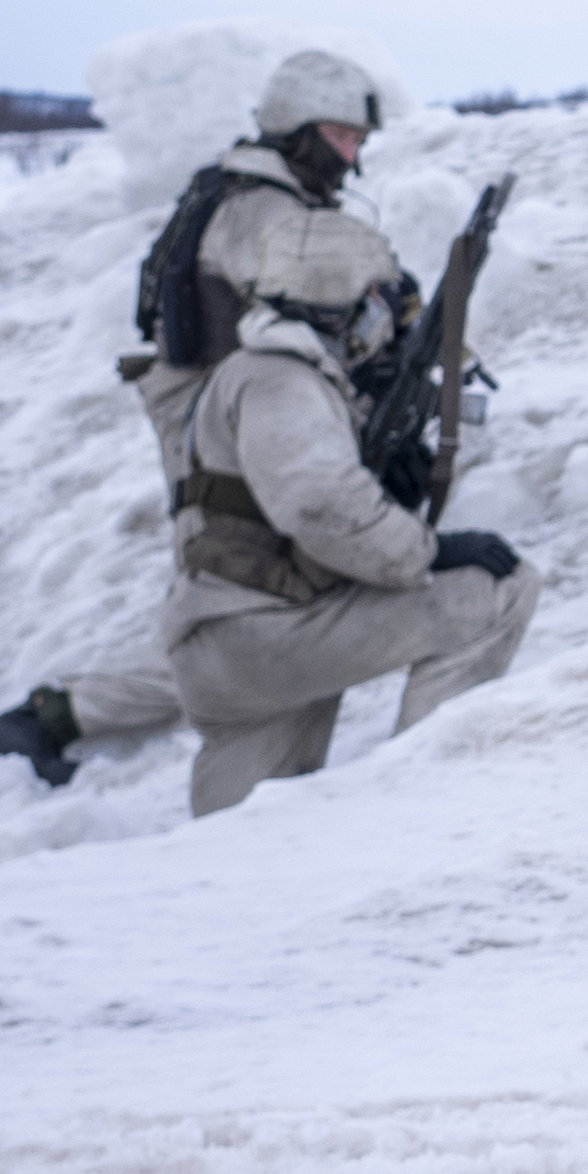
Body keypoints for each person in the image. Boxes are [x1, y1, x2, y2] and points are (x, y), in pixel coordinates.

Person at [0, 48, 406, 787]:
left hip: (236, 410)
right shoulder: (261, 207)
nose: (352, 153)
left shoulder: (263, 191)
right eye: (341, 135)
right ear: (297, 126)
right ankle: (56, 718)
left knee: (241, 603)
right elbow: (308, 314)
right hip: (224, 420)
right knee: (238, 609)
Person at [149, 198, 538, 815]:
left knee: (245, 833)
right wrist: (427, 551)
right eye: (378, 300)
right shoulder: (279, 377)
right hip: (265, 632)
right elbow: (317, 505)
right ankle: (426, 800)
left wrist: (395, 494)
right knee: (496, 589)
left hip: (225, 642)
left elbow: (294, 499)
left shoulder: (255, 373)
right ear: (347, 304)